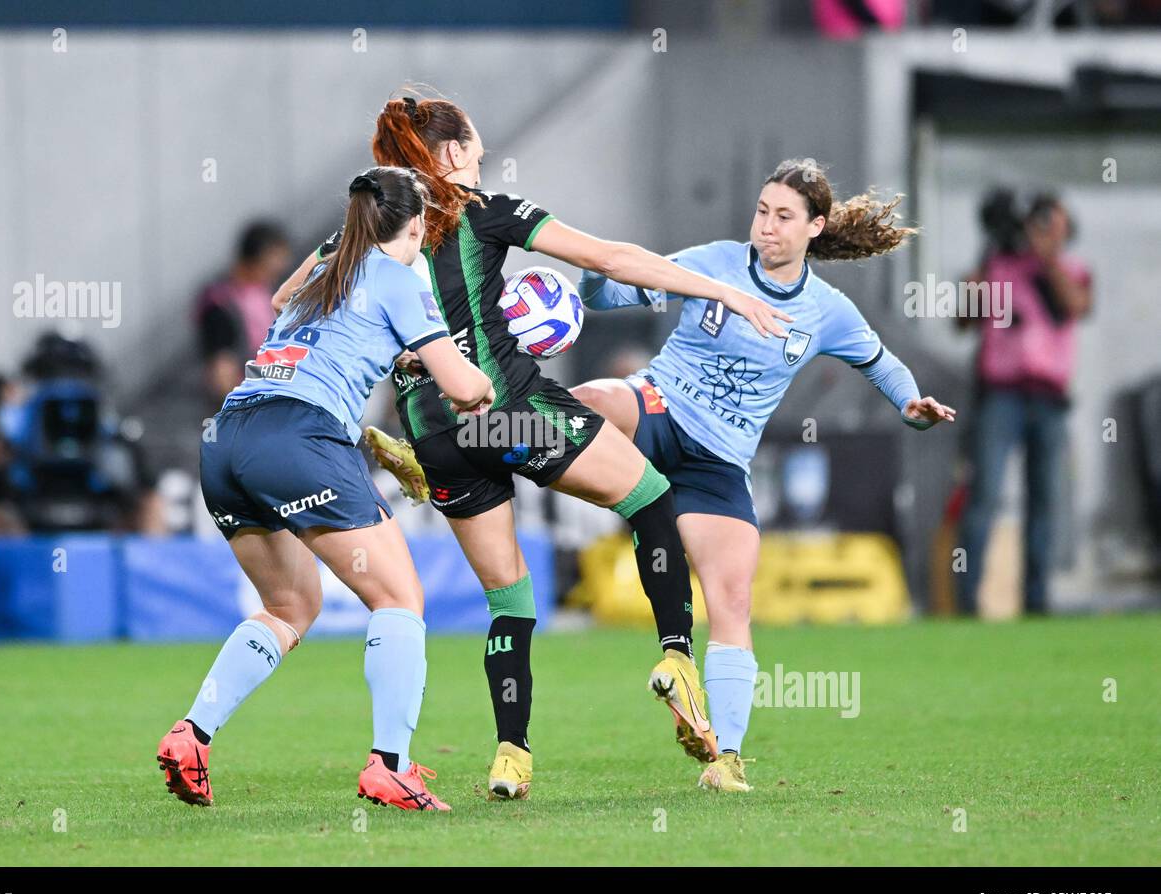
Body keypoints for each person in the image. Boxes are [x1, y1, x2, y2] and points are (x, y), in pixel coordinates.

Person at [274, 93, 793, 800]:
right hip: (507, 414)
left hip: (436, 434)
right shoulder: (483, 211)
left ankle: (511, 757)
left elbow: (283, 303)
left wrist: (395, 355)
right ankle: (676, 654)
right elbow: (610, 256)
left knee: (510, 600)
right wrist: (719, 291)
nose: (480, 160)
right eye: (476, 150)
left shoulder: (363, 233)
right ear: (453, 153)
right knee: (652, 496)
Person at [570, 159, 955, 792]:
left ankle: (726, 759)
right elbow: (612, 294)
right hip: (659, 407)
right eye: (761, 211)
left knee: (734, 600)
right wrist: (591, 274)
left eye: (782, 217)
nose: (766, 227)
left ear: (815, 227)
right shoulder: (714, 262)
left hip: (719, 461)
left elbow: (882, 365)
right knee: (587, 401)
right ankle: (459, 453)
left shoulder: (827, 311)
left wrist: (911, 407)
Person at [158, 166, 493, 812]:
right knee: (399, 596)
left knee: (290, 606)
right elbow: (463, 387)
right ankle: (389, 766)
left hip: (227, 439)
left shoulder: (325, 269)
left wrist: (390, 348)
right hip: (299, 438)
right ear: (419, 225)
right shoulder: (397, 279)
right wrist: (479, 381)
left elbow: (282, 303)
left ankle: (191, 736)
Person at [957, 192, 1091, 615]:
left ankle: (1036, 601)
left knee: (1044, 499)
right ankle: (966, 603)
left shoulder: (1072, 271)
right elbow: (962, 320)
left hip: (1049, 400)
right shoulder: (998, 267)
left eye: (1053, 223)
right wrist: (979, 276)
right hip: (1001, 395)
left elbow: (1076, 305)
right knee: (985, 496)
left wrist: (1047, 257)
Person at [196, 221, 294, 405]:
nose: (275, 275)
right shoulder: (220, 305)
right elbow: (223, 376)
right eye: (271, 269)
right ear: (250, 263)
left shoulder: (262, 289)